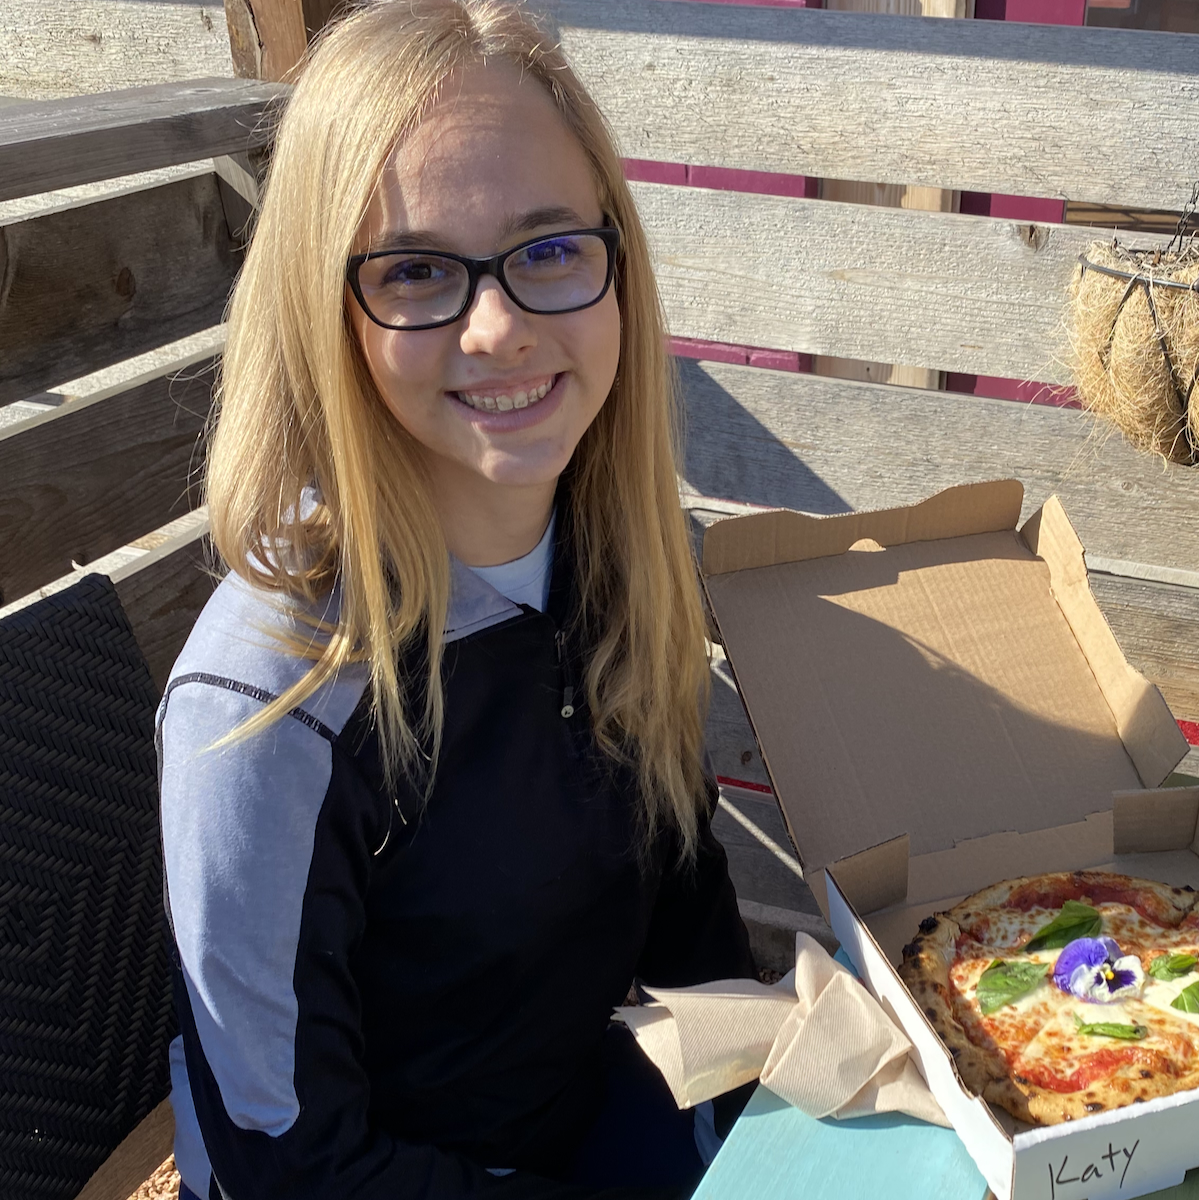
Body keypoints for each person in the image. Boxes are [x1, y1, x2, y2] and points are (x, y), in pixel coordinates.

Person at [157, 2, 757, 1196]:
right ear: (327, 311)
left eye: (547, 250)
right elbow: (292, 1163)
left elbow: (692, 936)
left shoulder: (621, 560)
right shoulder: (267, 707)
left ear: (614, 267)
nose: (499, 329)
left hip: (599, 1120)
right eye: (418, 270)